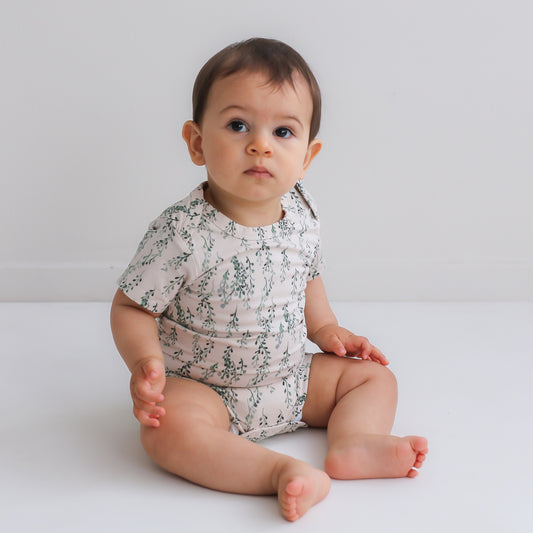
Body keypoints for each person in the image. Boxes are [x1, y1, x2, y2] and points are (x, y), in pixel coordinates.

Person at [110, 37, 428, 522]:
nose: (260, 144)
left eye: (283, 131)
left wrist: (327, 331)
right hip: (204, 389)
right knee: (165, 429)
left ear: (307, 156)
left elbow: (309, 279)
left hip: (292, 378)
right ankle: (276, 471)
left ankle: (354, 444)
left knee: (374, 377)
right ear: (197, 143)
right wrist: (145, 362)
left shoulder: (302, 210)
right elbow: (132, 306)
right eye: (238, 125)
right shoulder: (182, 232)